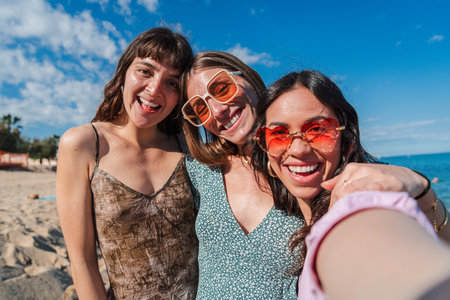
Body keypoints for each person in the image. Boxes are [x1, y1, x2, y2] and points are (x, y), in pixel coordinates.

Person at [179, 51, 448, 299]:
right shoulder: (202, 171)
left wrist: (421, 190)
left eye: (221, 88)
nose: (217, 110)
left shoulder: (340, 189)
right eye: (200, 109)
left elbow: (370, 242)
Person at [252, 70, 450, 299]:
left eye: (317, 130)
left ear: (346, 140)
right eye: (278, 133)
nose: (297, 149)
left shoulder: (355, 202)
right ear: (264, 146)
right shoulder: (292, 215)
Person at [56, 27, 198, 300]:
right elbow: (82, 262)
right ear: (123, 73)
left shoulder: (187, 147)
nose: (155, 89)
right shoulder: (84, 144)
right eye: (145, 71)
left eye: (172, 82)